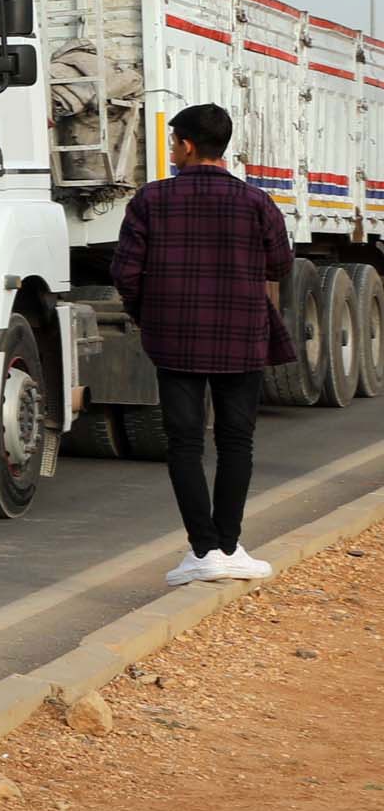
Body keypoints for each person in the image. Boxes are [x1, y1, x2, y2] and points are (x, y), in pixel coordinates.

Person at [114, 100, 300, 586]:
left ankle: (202, 551)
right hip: (241, 336)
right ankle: (230, 545)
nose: (172, 150)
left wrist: (147, 315)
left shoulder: (151, 200)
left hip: (175, 339)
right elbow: (280, 266)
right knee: (237, 441)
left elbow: (126, 273)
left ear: (188, 145)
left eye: (174, 142)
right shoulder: (257, 202)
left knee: (185, 443)